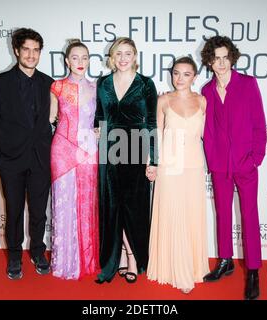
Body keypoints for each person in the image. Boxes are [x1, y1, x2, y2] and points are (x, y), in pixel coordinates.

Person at [200, 36, 267, 300]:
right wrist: (213, 160)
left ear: (232, 58)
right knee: (222, 214)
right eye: (216, 58)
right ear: (209, 61)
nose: (221, 63)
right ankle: (225, 260)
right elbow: (208, 132)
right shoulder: (206, 90)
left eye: (225, 57)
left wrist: (255, 158)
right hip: (220, 165)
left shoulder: (248, 84)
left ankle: (253, 271)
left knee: (249, 216)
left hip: (245, 163)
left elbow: (259, 124)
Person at [0, 28, 53, 280]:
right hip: (10, 160)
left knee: (38, 211)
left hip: (40, 160)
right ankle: (14, 257)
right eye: (26, 49)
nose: (31, 55)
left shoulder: (49, 83)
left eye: (36, 50)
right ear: (16, 50)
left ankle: (37, 252)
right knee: (13, 211)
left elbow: (54, 122)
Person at [94, 37, 158, 284]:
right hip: (109, 150)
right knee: (112, 206)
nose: (122, 58)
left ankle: (132, 256)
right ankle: (117, 255)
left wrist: (155, 160)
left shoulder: (145, 84)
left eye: (128, 53)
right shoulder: (103, 83)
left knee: (133, 208)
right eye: (118, 53)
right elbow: (100, 115)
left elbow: (152, 123)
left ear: (135, 56)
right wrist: (98, 128)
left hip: (135, 150)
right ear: (112, 56)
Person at [147, 57, 209, 294]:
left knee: (191, 215)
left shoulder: (203, 101)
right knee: (173, 214)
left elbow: (207, 135)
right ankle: (176, 270)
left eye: (185, 74)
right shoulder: (163, 99)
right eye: (176, 73)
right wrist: (151, 164)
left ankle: (192, 268)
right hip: (169, 166)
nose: (179, 78)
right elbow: (155, 135)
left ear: (195, 76)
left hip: (193, 166)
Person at [49, 39, 99, 280]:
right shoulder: (56, 87)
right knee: (64, 203)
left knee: (87, 205)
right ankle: (65, 262)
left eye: (85, 58)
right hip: (62, 151)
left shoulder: (97, 88)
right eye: (75, 58)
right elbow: (48, 120)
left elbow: (102, 119)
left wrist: (99, 130)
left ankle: (86, 260)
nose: (80, 62)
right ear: (67, 61)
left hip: (89, 151)